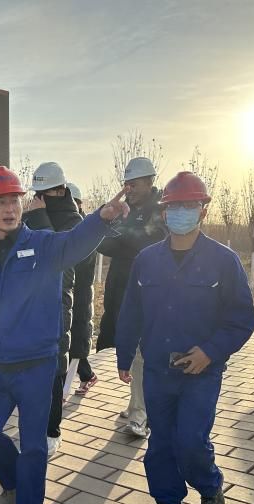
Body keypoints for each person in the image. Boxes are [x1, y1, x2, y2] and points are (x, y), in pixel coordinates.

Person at [0, 166, 128, 504]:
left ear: (22, 204)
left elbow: (77, 241)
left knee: (34, 445)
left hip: (37, 364)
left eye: (14, 201)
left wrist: (101, 218)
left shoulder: (45, 245)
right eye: (0, 202)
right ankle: (13, 482)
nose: (8, 209)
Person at [115, 172, 254, 504]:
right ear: (164, 212)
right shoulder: (147, 260)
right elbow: (131, 311)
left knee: (191, 439)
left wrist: (210, 352)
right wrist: (124, 356)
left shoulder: (223, 261)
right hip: (157, 371)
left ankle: (209, 485)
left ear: (203, 211)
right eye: (174, 206)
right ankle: (167, 503)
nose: (181, 212)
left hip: (201, 373)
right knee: (161, 443)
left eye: (189, 205)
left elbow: (242, 319)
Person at [96, 157, 166, 437]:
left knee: (140, 351)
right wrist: (115, 233)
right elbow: (106, 245)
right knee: (129, 347)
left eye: (134, 184)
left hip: (148, 290)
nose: (129, 190)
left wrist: (124, 236)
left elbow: (150, 242)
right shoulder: (125, 210)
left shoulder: (160, 210)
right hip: (121, 286)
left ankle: (140, 414)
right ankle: (136, 403)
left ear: (149, 182)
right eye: (126, 184)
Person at [23, 162, 83, 456]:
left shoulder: (74, 220)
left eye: (44, 194)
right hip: (30, 301)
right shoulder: (33, 216)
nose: (39, 199)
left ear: (60, 191)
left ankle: (52, 430)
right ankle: (33, 422)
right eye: (37, 194)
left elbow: (59, 257)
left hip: (58, 300)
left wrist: (39, 218)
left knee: (55, 366)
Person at [66, 182, 98, 395]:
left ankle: (64, 390)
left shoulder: (86, 230)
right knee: (70, 343)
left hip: (79, 294)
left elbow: (83, 269)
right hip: (65, 294)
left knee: (76, 340)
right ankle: (87, 375)